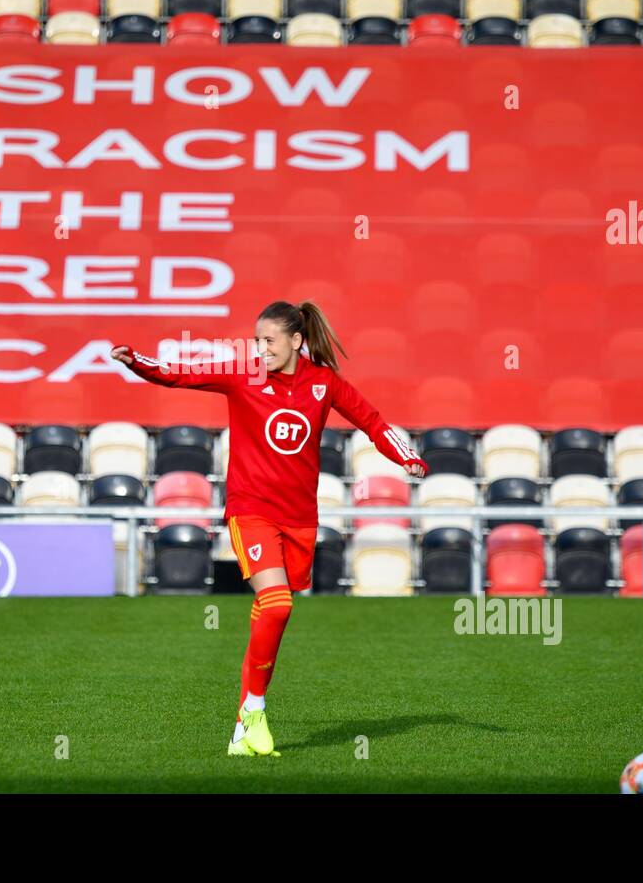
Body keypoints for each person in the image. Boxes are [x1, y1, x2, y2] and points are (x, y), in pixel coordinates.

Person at [111, 300, 428, 757]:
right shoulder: (243, 375)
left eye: (269, 341)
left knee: (277, 609)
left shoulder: (323, 384)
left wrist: (408, 458)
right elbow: (179, 372)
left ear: (296, 341)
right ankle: (255, 710)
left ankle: (245, 722)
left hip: (299, 518)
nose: (259, 349)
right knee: (276, 603)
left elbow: (373, 422)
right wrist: (137, 361)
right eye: (256, 340)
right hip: (250, 510)